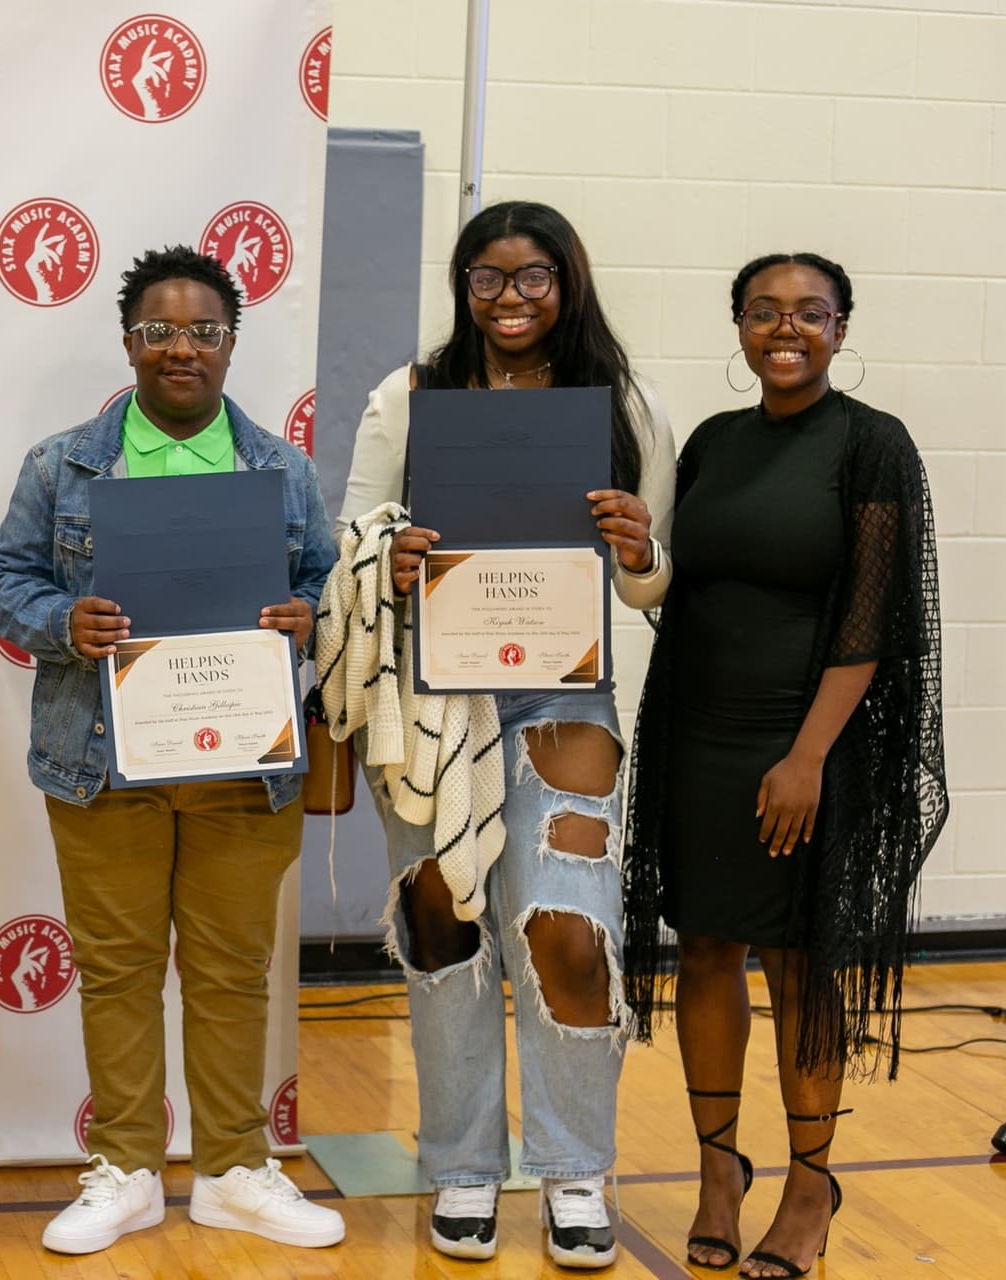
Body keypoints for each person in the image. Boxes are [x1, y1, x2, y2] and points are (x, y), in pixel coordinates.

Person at [0, 246, 345, 1255]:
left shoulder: (281, 466)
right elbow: (4, 578)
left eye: (204, 332)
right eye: (160, 331)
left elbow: (329, 578)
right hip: (104, 760)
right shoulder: (65, 463)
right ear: (129, 342)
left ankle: (232, 1168)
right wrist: (67, 620)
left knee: (233, 970)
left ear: (231, 344)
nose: (181, 348)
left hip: (243, 756)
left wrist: (303, 612)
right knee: (119, 967)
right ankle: (129, 1168)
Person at [332, 201, 676, 1269]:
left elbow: (657, 585)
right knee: (447, 933)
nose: (511, 297)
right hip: (440, 698)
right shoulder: (412, 393)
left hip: (564, 696)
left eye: (533, 277)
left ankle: (576, 1166)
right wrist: (387, 558)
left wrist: (638, 545)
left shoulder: (619, 401)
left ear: (567, 282)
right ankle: (464, 1166)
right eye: (488, 277)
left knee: (570, 931)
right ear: (462, 284)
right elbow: (352, 532)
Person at [621, 254, 946, 1278]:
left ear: (842, 328)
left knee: (800, 958)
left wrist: (807, 755)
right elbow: (685, 584)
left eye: (810, 312)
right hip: (698, 730)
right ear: (740, 327)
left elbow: (873, 616)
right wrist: (635, 552)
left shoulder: (871, 445)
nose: (786, 327)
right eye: (764, 311)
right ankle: (722, 1169)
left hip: (808, 742)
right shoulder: (715, 443)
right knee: (707, 950)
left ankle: (812, 1180)